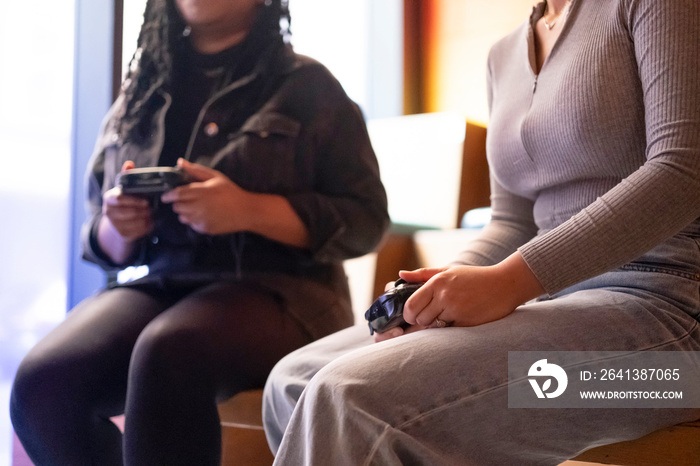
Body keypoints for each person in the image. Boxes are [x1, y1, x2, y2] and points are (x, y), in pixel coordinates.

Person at [262, 0, 700, 464]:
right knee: (294, 379)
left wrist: (511, 281)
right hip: (550, 300)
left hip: (673, 348)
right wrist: (431, 298)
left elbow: (684, 172)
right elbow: (512, 221)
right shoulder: (503, 54)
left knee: (349, 397)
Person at [10, 0, 389, 464]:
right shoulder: (141, 94)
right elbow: (101, 235)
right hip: (161, 282)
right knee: (44, 383)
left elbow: (367, 221)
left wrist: (248, 210)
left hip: (284, 291)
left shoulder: (308, 86)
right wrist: (119, 226)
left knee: (170, 352)